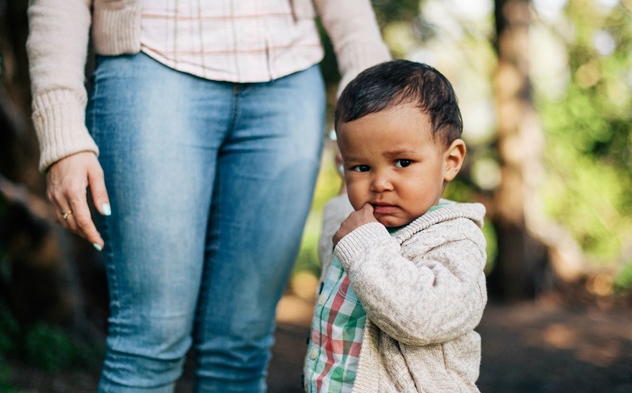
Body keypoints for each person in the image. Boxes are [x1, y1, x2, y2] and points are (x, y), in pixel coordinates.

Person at [26, 0, 390, 392]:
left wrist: (373, 95)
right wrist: (61, 129)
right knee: (150, 341)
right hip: (149, 62)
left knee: (242, 349)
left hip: (287, 78)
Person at [304, 59, 488, 392]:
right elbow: (337, 226)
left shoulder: (457, 239)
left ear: (450, 161)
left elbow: (423, 318)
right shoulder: (357, 225)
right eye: (361, 167)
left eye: (402, 162)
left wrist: (366, 245)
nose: (380, 183)